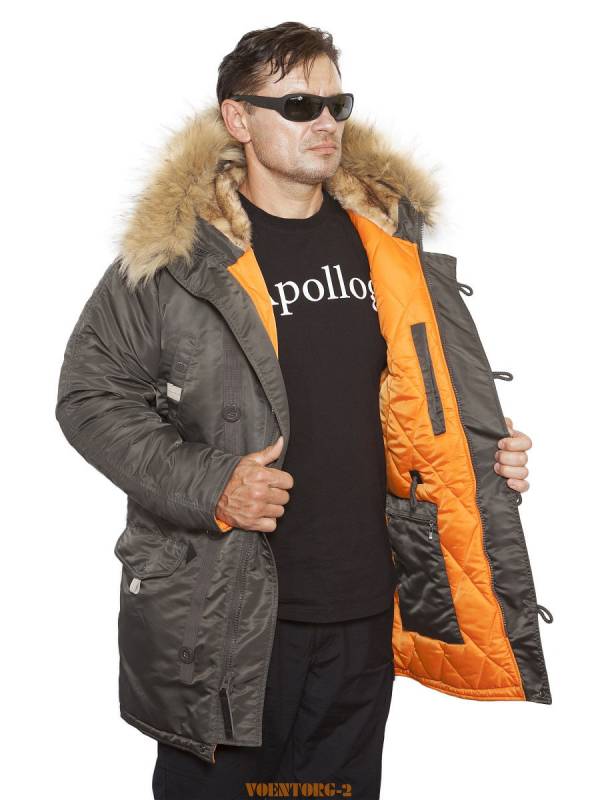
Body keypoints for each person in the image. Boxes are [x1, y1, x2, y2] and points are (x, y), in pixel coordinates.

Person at [55, 20, 549, 800]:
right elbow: (88, 396)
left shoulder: (387, 245)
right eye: (297, 105)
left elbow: (415, 406)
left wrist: (482, 456)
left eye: (335, 104)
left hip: (362, 614)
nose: (325, 122)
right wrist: (213, 484)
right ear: (238, 118)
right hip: (224, 619)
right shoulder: (179, 257)